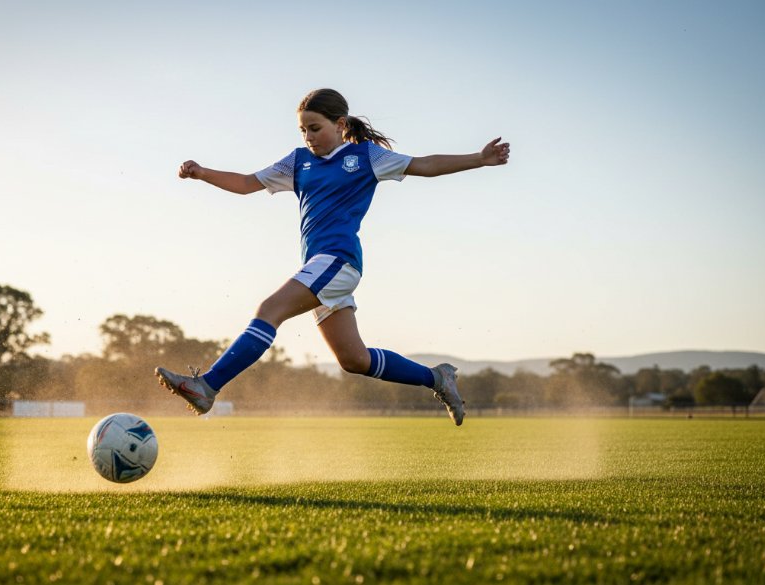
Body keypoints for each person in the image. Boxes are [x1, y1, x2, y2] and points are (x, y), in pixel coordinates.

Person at [155, 88, 510, 425]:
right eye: (302, 130)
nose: (308, 136)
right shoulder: (298, 162)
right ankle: (437, 377)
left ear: (340, 125)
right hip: (319, 267)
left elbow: (424, 164)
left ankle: (208, 386)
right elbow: (248, 182)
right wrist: (203, 173)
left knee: (269, 310)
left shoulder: (366, 156)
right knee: (354, 360)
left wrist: (478, 159)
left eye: (315, 128)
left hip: (338, 260)